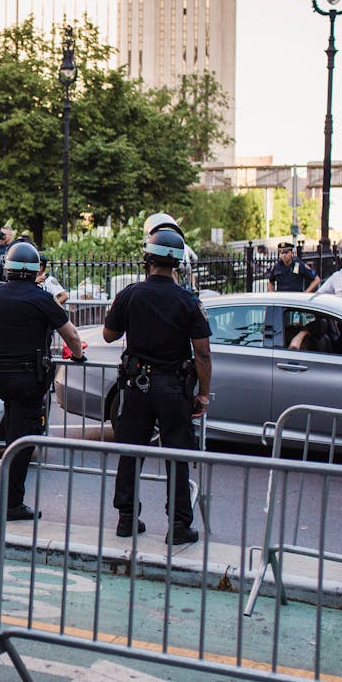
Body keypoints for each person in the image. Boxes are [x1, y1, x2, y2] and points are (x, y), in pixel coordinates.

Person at [102, 228, 211, 545]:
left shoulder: (130, 294)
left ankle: (125, 519)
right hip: (173, 387)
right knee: (177, 454)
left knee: (130, 452)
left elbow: (109, 335)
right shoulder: (188, 301)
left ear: (146, 258)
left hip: (136, 386)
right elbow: (202, 352)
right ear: (177, 263)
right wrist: (202, 393)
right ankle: (178, 525)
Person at [0, 242, 85, 521]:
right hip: (27, 380)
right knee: (23, 441)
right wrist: (78, 357)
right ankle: (12, 503)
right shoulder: (41, 299)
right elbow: (72, 335)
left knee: (14, 433)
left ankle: (8, 495)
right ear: (33, 270)